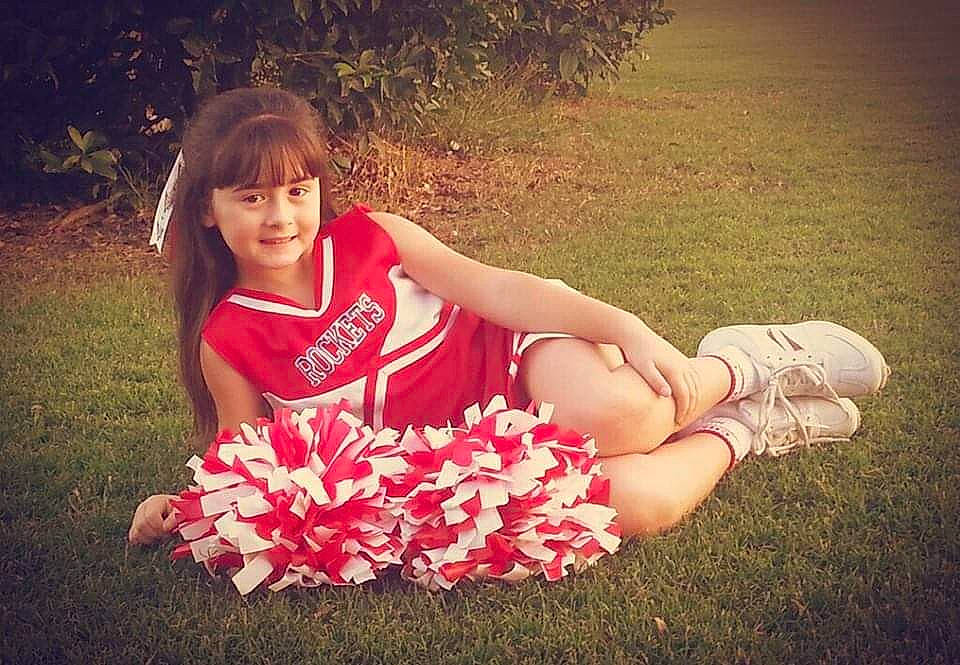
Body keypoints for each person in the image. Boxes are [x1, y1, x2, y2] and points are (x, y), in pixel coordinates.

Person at [128, 87, 889, 546]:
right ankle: (745, 426)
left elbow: (499, 289)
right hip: (472, 455)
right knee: (635, 505)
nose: (281, 215)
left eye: (297, 190)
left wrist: (622, 325)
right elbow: (248, 456)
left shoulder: (374, 236)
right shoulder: (227, 339)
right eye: (252, 197)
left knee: (619, 415)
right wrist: (184, 511)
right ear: (206, 208)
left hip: (518, 361)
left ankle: (743, 360)